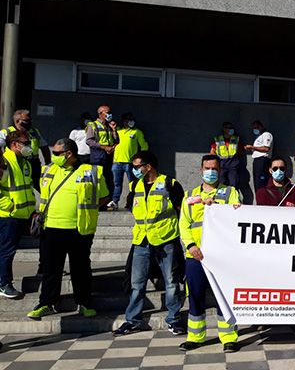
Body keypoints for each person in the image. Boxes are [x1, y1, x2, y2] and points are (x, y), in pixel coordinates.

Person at [27, 138, 109, 320]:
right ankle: (46, 303)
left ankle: (84, 303)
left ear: (69, 154)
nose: (53, 156)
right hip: (51, 228)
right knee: (50, 269)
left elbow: (103, 197)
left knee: (80, 269)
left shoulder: (91, 171)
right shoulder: (49, 170)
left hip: (79, 229)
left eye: (57, 153)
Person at [113, 151, 185, 336]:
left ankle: (174, 319)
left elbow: (181, 209)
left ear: (149, 166)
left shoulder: (170, 184)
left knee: (171, 282)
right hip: (141, 240)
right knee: (137, 283)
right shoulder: (135, 185)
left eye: (137, 166)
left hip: (165, 239)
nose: (134, 170)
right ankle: (133, 320)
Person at [179, 154, 241, 353]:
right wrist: (190, 246)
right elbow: (184, 224)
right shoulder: (190, 195)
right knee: (195, 296)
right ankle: (195, 337)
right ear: (200, 170)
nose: (210, 172)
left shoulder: (230, 192)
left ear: (220, 170)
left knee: (224, 296)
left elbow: (236, 219)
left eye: (214, 168)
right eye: (207, 168)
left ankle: (229, 337)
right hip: (196, 255)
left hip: (221, 256)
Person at [0, 131, 37, 299]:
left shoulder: (25, 164)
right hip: (8, 215)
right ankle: (4, 283)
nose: (29, 146)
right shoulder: (4, 162)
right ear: (15, 144)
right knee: (6, 251)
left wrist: (33, 210)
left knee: (9, 250)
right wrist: (8, 205)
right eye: (26, 143)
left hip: (24, 214)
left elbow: (27, 188)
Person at [0, 109, 51, 192]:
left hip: (34, 165)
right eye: (26, 120)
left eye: (30, 120)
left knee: (42, 188)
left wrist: (48, 163)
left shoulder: (34, 131)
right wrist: (2, 163)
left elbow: (44, 147)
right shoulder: (6, 132)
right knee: (17, 186)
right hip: (16, 164)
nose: (29, 122)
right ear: (17, 121)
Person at [109, 113, 149, 210]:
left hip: (130, 163)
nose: (131, 121)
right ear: (124, 121)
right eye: (128, 119)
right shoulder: (118, 131)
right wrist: (113, 129)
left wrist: (140, 158)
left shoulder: (136, 132)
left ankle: (131, 202)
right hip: (117, 162)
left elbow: (144, 146)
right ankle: (115, 202)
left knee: (133, 183)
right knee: (117, 183)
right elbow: (111, 141)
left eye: (132, 119)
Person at [86, 105, 119, 200]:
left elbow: (116, 140)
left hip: (108, 155)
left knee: (108, 178)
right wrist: (104, 147)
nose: (109, 114)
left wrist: (113, 130)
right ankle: (96, 200)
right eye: (107, 112)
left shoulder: (109, 125)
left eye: (110, 112)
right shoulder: (93, 125)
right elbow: (89, 141)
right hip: (97, 155)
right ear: (101, 114)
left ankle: (107, 200)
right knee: (97, 178)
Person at [245, 120, 273, 191]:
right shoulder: (258, 136)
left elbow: (266, 148)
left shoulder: (266, 135)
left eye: (257, 127)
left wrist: (253, 147)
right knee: (257, 182)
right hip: (257, 161)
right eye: (254, 128)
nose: (255, 129)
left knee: (261, 182)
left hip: (263, 160)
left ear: (261, 126)